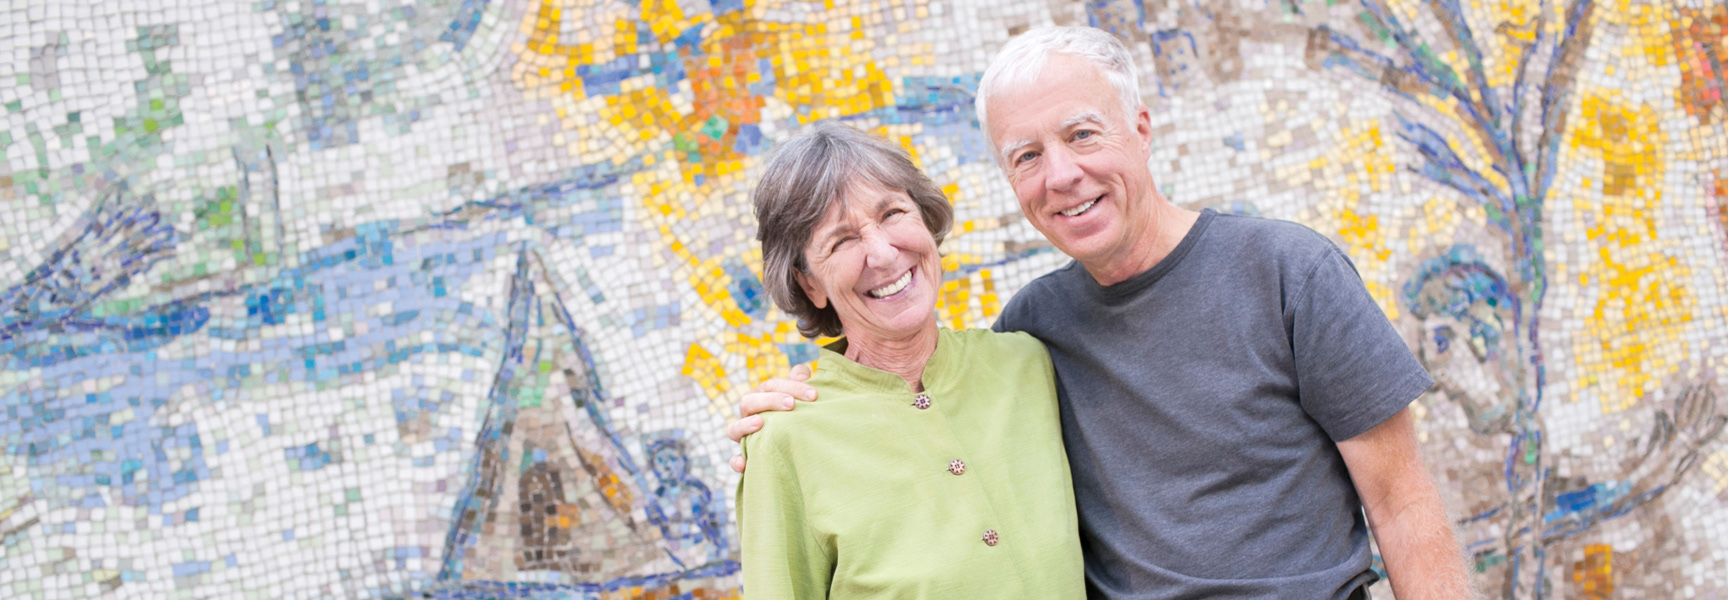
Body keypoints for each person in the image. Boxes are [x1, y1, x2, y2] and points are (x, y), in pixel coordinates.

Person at [729, 26, 1472, 600]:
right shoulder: (1034, 332)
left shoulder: (1286, 272)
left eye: (1083, 134)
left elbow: (1403, 501)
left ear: (1140, 129)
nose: (1062, 175)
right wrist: (787, 421)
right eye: (1025, 156)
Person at [736, 122, 1086, 598]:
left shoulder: (1027, 363)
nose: (881, 253)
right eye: (841, 242)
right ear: (809, 285)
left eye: (893, 213)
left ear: (925, 219)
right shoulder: (785, 439)